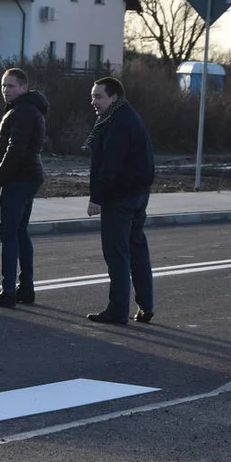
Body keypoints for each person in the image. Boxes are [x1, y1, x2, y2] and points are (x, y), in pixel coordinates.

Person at [84, 76, 155, 324]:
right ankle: (146, 306)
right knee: (137, 251)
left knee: (117, 254)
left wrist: (97, 198)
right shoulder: (128, 116)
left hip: (120, 197)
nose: (93, 101)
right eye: (93, 96)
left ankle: (118, 310)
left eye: (98, 96)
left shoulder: (117, 122)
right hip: (137, 194)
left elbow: (109, 165)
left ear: (113, 97)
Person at [0, 68, 49, 308]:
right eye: (3, 86)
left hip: (19, 179)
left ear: (23, 87)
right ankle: (26, 289)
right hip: (27, 177)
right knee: (20, 232)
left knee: (9, 233)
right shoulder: (27, 109)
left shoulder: (23, 111)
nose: (6, 90)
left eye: (11, 86)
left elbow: (16, 149)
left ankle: (9, 291)